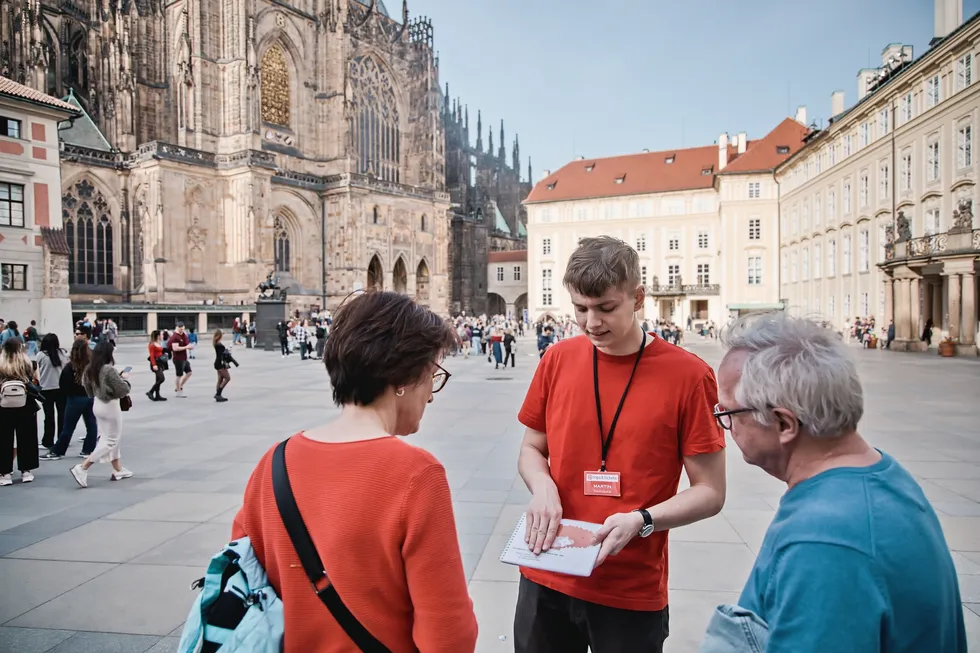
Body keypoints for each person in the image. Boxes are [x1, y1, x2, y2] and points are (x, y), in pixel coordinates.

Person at [231, 291, 478, 652]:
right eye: (432, 377)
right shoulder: (416, 474)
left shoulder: (275, 461)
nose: (430, 396)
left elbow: (242, 578)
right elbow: (448, 634)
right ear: (403, 379)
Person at [514, 236, 726, 653]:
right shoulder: (557, 359)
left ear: (638, 298)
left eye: (606, 308)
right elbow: (531, 449)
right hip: (547, 570)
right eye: (580, 309)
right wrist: (543, 489)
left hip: (629, 589)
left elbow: (711, 492)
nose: (591, 323)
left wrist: (642, 520)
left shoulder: (689, 376)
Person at [710, 313, 966, 652]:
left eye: (728, 414)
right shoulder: (879, 474)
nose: (728, 428)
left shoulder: (824, 539)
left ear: (784, 422)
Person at [71, 341, 132, 487]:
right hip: (110, 405)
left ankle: (118, 468)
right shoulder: (108, 370)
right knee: (111, 440)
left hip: (97, 404)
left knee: (108, 437)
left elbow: (87, 387)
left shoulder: (89, 368)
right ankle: (83, 467)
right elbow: (123, 390)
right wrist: (124, 380)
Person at [42, 340, 99, 461]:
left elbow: (63, 384)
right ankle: (88, 449)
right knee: (91, 424)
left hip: (75, 399)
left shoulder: (70, 367)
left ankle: (58, 451)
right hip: (90, 397)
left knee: (68, 426)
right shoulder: (92, 365)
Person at [0, 338, 40, 485]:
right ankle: (26, 471)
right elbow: (35, 381)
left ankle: (4, 473)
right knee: (27, 436)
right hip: (25, 403)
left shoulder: (1, 364)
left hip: (3, 404)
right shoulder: (27, 363)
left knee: (4, 439)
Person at [36, 333, 66, 451]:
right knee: (62, 415)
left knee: (49, 416)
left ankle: (48, 441)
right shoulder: (62, 353)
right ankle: (62, 440)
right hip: (61, 388)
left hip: (45, 389)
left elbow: (36, 371)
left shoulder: (40, 355)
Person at [167, 322, 194, 396]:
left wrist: (190, 345)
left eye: (183, 329)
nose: (181, 330)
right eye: (180, 329)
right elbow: (175, 348)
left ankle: (180, 386)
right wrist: (186, 347)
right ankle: (178, 390)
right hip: (178, 359)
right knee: (179, 375)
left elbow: (187, 342)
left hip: (184, 358)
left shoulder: (183, 335)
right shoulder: (175, 337)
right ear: (177, 328)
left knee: (189, 373)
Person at [212, 329, 239, 402]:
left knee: (220, 379)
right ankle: (218, 394)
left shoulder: (216, 343)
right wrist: (228, 351)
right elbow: (224, 355)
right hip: (220, 364)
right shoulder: (219, 345)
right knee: (227, 378)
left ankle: (218, 395)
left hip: (217, 363)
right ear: (220, 335)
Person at [147, 330, 168, 401]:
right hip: (156, 363)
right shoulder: (152, 345)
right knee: (162, 379)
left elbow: (159, 352)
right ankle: (150, 391)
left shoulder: (159, 343)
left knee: (158, 379)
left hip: (161, 363)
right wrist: (154, 365)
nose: (163, 336)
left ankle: (157, 395)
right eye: (161, 335)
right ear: (158, 336)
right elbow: (152, 356)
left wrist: (164, 354)